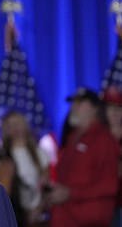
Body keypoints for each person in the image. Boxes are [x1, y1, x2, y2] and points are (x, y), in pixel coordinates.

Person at [46, 87, 119, 227]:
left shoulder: (104, 140)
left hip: (89, 220)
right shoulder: (72, 138)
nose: (74, 107)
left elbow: (109, 185)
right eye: (73, 103)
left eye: (80, 103)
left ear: (95, 109)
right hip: (65, 218)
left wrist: (70, 193)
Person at [1, 111, 49, 226]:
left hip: (37, 215)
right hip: (14, 215)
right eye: (10, 125)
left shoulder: (40, 154)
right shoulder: (2, 157)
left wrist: (38, 209)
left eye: (17, 123)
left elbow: (46, 186)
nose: (15, 128)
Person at [102, 85, 122, 227]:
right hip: (105, 204)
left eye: (119, 108)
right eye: (110, 108)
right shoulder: (95, 137)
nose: (115, 113)